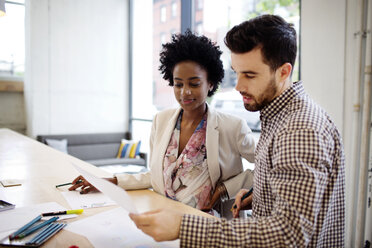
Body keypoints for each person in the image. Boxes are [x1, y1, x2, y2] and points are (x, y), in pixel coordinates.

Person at [129, 14, 346, 247]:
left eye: (250, 75)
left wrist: (183, 226)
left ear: (283, 72)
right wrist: (261, 196)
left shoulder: (299, 130)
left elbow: (288, 235)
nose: (239, 86)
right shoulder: (281, 118)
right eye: (237, 73)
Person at [69, 30, 256, 212]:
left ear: (211, 83)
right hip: (166, 223)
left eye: (194, 83)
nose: (185, 92)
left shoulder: (232, 126)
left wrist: (226, 189)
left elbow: (270, 171)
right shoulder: (161, 120)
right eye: (178, 84)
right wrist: (109, 182)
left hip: (210, 228)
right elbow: (156, 176)